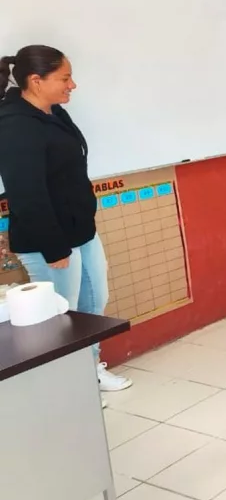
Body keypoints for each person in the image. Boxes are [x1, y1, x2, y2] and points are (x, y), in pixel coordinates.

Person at [0, 46, 132, 398]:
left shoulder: (54, 112)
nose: (72, 85)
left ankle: (90, 372)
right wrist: (54, 247)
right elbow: (26, 192)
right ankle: (68, 394)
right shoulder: (15, 125)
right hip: (50, 241)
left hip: (80, 231)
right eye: (64, 78)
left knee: (94, 304)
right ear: (36, 80)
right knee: (61, 317)